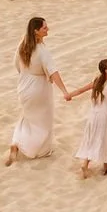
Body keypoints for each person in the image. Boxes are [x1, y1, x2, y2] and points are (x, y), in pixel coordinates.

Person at [6, 16, 71, 165]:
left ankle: (16, 143)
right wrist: (64, 91)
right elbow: (53, 72)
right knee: (42, 122)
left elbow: (16, 64)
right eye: (44, 28)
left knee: (27, 118)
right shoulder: (41, 50)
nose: (48, 29)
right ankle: (36, 149)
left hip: (23, 86)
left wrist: (25, 75)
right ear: (36, 31)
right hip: (38, 88)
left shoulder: (22, 45)